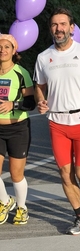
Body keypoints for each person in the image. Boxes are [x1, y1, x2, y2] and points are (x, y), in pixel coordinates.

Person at [33, 7, 80, 235]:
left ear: (72, 27)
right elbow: (39, 85)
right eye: (55, 25)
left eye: (63, 24)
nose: (59, 29)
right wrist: (40, 100)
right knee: (65, 174)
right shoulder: (42, 57)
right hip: (56, 121)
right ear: (51, 29)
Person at [0, 34, 35, 225]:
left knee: (16, 174)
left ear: (14, 51)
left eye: (7, 47)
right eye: (0, 47)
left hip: (18, 128)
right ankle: (5, 201)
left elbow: (31, 102)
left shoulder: (21, 72)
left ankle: (22, 208)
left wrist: (13, 104)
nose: (2, 50)